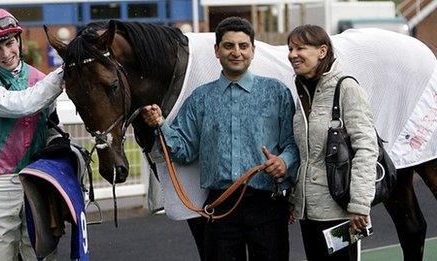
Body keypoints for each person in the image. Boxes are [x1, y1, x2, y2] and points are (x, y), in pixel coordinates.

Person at [142, 17, 299, 261]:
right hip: (220, 207)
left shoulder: (277, 92)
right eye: (228, 46)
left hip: (267, 205)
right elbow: (184, 151)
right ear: (217, 51)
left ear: (253, 50)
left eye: (243, 46)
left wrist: (284, 162)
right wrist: (161, 125)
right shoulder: (200, 98)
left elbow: (294, 143)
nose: (236, 52)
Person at [0, 8, 64, 260]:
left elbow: (52, 127)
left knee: (42, 255)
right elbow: (21, 104)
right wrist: (67, 68)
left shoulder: (39, 79)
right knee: (1, 256)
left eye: (10, 43)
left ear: (19, 40)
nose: (6, 54)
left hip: (37, 179)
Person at [287, 24, 378, 260]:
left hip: (341, 211)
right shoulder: (302, 92)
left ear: (322, 51)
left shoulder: (346, 88)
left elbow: (366, 147)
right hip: (309, 213)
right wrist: (294, 199)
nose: (292, 54)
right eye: (290, 49)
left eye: (300, 48)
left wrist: (359, 203)